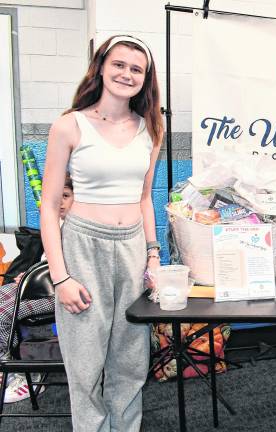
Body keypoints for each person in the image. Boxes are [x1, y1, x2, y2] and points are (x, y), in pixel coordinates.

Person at [40, 35, 163, 431]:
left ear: (146, 79)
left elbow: (145, 200)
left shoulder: (151, 129)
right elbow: (48, 206)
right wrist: (61, 278)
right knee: (86, 365)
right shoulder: (69, 125)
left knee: (130, 363)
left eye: (136, 69)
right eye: (119, 65)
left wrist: (154, 256)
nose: (127, 74)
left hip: (131, 250)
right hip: (82, 247)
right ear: (101, 68)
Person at [0, 175, 74, 403]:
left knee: (5, 313)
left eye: (66, 196)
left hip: (59, 294)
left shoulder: (77, 229)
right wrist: (28, 274)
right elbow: (45, 262)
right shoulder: (53, 225)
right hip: (38, 287)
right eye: (56, 197)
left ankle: (19, 368)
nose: (60, 202)